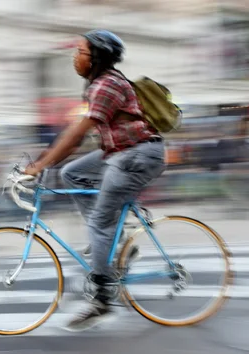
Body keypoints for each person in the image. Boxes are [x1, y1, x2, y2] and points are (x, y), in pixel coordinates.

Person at [24, 30, 166, 331]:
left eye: (80, 52)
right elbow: (78, 138)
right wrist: (49, 163)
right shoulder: (99, 85)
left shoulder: (107, 85)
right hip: (120, 153)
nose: (75, 58)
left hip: (137, 156)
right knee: (71, 173)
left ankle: (102, 300)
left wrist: (39, 164)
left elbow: (76, 136)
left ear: (97, 57)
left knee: (100, 223)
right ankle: (116, 241)